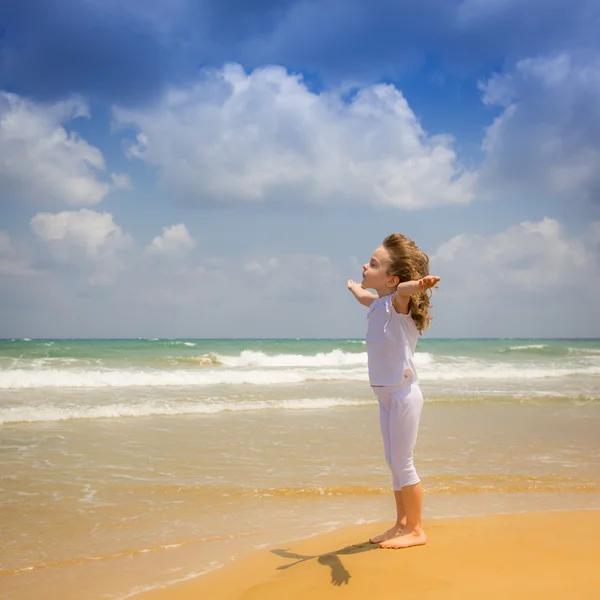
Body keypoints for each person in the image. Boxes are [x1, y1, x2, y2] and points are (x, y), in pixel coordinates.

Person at [348, 232, 439, 549]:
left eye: (373, 264)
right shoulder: (378, 305)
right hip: (385, 395)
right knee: (393, 461)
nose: (365, 265)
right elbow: (366, 299)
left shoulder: (398, 304)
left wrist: (418, 286)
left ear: (391, 279)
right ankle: (401, 524)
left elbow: (403, 291)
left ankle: (416, 530)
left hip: (403, 394)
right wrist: (356, 289)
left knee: (404, 462)